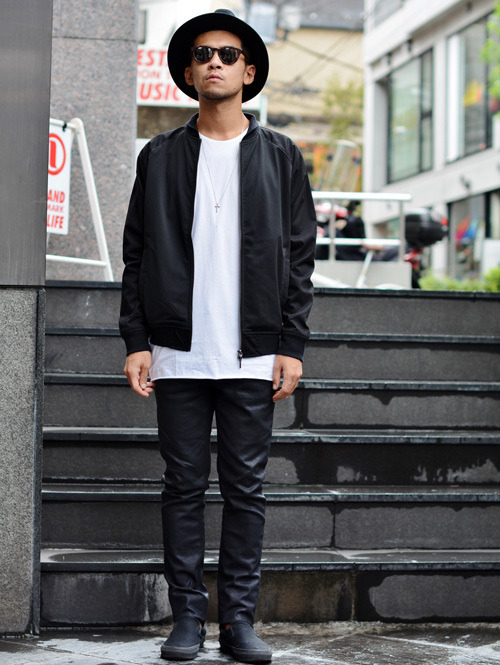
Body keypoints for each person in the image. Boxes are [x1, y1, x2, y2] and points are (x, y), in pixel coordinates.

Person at [119, 9, 316, 663]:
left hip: (252, 351)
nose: (214, 62)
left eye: (228, 54)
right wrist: (136, 339)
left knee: (245, 489)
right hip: (178, 349)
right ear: (187, 70)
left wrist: (291, 344)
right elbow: (138, 253)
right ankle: (187, 619)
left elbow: (300, 255)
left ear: (248, 71)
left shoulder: (282, 156)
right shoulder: (160, 156)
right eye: (203, 53)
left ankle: (236, 621)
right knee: (181, 486)